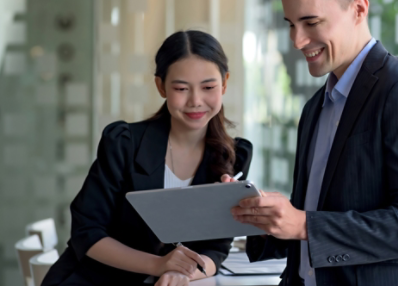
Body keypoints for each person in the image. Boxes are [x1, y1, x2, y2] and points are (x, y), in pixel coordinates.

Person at [223, 0, 398, 286]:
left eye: (311, 22)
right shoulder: (316, 106)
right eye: (290, 24)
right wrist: (260, 214)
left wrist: (302, 223)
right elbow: (317, 217)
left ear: (359, 9)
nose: (297, 40)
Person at [43, 30, 252, 286]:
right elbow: (87, 233)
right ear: (161, 86)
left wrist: (182, 272)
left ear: (225, 83)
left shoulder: (233, 155)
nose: (196, 101)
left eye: (208, 87)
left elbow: (216, 249)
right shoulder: (124, 143)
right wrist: (160, 264)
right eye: (181, 88)